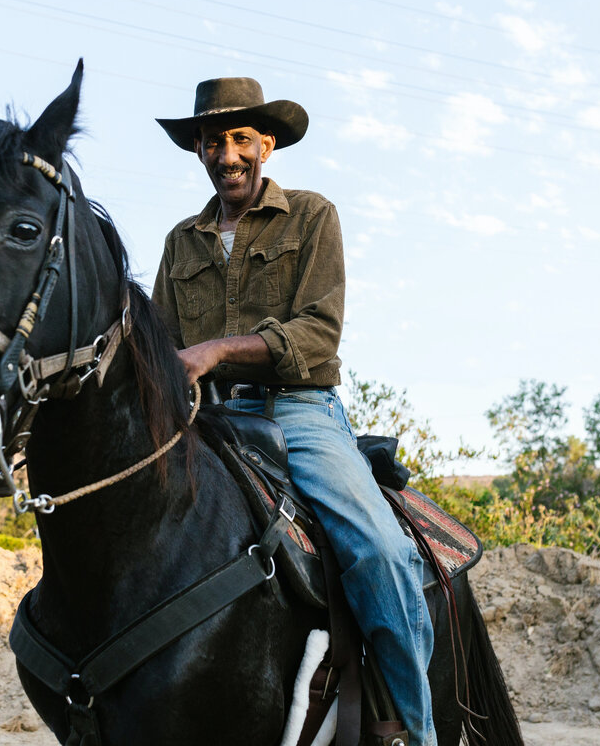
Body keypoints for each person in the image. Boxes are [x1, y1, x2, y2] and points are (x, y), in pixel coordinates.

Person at [151, 77, 437, 745]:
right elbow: (162, 347)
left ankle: (412, 733)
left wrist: (219, 350)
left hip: (296, 413)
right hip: (204, 418)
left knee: (381, 553)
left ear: (268, 146)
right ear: (198, 149)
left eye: (242, 139)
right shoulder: (179, 243)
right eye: (214, 141)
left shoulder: (311, 216)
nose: (228, 154)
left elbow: (316, 335)